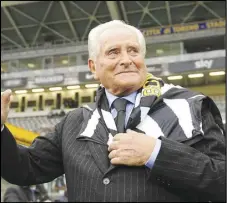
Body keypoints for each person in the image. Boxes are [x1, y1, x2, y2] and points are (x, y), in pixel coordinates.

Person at [1, 20, 225, 202]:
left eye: (133, 51)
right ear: (93, 67)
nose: (126, 60)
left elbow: (221, 182)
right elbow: (24, 169)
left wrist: (157, 154)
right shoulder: (76, 121)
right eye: (113, 52)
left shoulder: (191, 106)